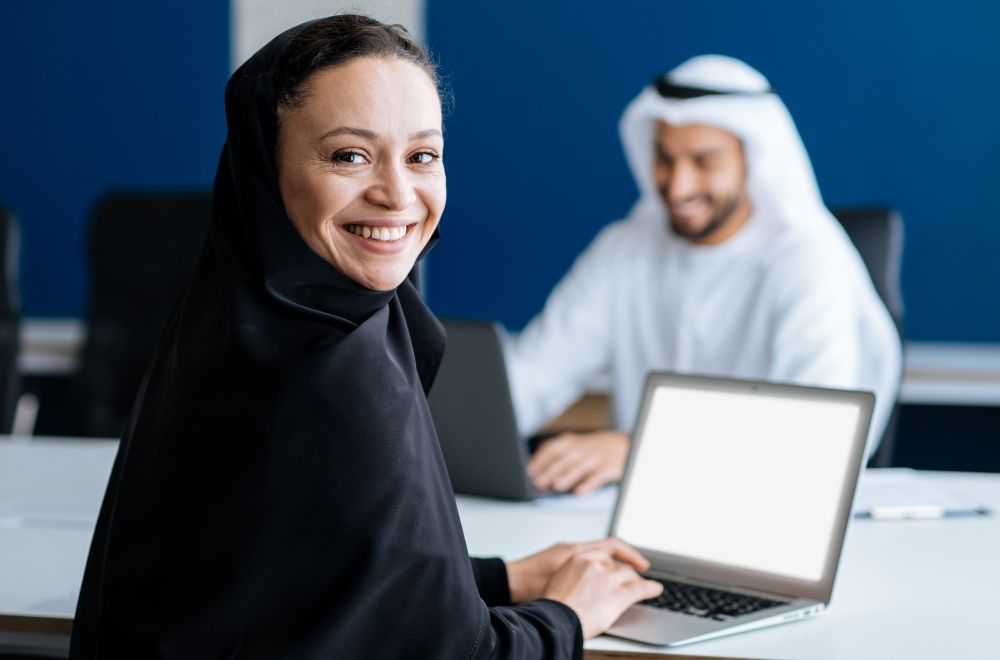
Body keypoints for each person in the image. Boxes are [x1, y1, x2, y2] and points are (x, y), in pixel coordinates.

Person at [69, 15, 662, 659]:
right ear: (264, 167)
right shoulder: (336, 373)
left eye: (422, 156)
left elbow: (306, 580)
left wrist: (498, 579)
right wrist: (567, 615)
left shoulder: (237, 315)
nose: (397, 193)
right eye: (349, 155)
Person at [507, 55, 902, 495]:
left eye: (704, 161)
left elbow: (815, 436)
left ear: (752, 159)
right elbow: (533, 378)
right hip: (626, 517)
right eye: (665, 158)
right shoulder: (624, 249)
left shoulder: (808, 259)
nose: (678, 186)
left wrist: (638, 448)